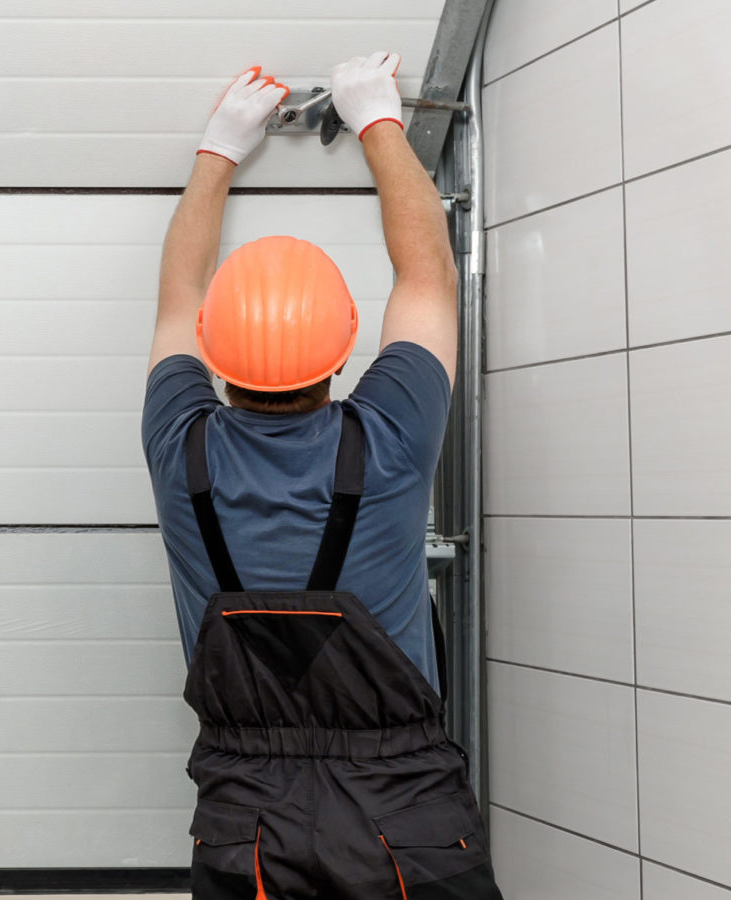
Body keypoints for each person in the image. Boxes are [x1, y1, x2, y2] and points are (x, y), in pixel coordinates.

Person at [143, 55, 504, 898]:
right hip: (406, 813)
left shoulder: (177, 445)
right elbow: (428, 277)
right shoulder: (390, 435)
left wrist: (218, 149)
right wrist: (377, 117)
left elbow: (174, 298)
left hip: (248, 817)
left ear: (213, 352)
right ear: (346, 352)